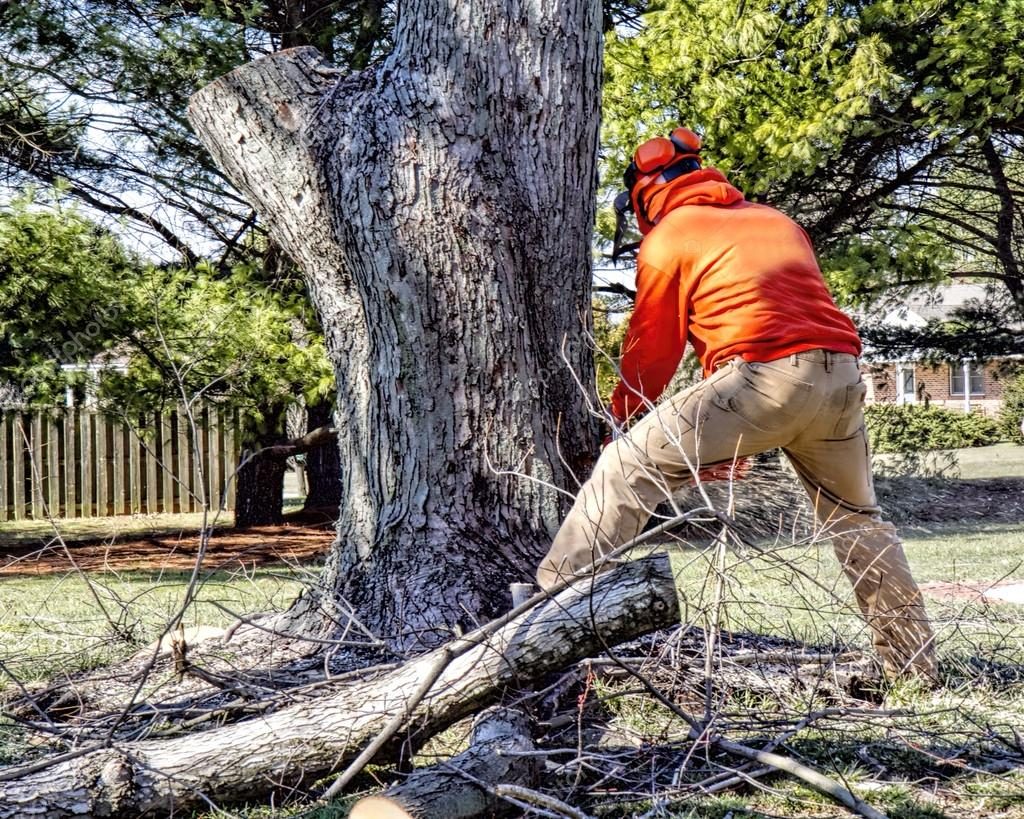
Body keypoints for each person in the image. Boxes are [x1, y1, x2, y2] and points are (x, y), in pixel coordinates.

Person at [536, 127, 937, 680]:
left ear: (646, 195)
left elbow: (653, 350)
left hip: (765, 376)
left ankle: (537, 624)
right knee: (856, 521)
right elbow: (754, 319)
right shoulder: (775, 221)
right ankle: (911, 662)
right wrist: (722, 437)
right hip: (841, 378)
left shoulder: (671, 235)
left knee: (624, 468)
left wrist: (621, 420)